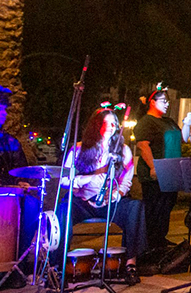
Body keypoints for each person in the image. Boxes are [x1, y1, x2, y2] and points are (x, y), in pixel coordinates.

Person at [56, 106, 146, 285]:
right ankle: (57, 265)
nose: (112, 126)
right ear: (96, 125)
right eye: (107, 123)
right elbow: (64, 181)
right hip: (84, 201)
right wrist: (88, 179)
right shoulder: (78, 149)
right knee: (64, 208)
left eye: (114, 123)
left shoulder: (124, 150)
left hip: (110, 202)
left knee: (135, 207)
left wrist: (116, 194)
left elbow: (126, 182)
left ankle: (130, 263)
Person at [0, 86, 39, 279]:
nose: (4, 114)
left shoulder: (10, 142)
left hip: (6, 197)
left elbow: (20, 172)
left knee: (32, 206)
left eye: (4, 110)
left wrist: (22, 182)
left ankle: (15, 266)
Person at [135, 85, 182, 249]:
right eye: (163, 101)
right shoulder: (147, 122)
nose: (167, 104)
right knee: (155, 208)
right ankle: (151, 243)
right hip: (156, 174)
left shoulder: (168, 121)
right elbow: (143, 145)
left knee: (167, 206)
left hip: (172, 172)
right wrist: (153, 167)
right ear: (152, 102)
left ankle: (161, 239)